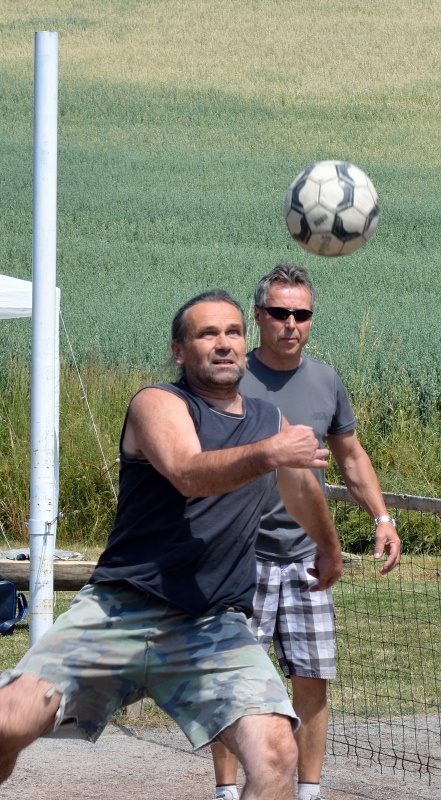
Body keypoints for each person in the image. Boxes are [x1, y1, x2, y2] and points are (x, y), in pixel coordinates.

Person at [0, 289, 343, 800]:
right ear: (180, 351)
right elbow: (187, 472)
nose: (224, 343)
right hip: (118, 610)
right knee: (8, 724)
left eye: (233, 332)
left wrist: (328, 547)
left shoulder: (269, 421)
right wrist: (271, 452)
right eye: (208, 334)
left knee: (276, 755)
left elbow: (301, 490)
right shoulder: (157, 403)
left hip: (210, 624)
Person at [210, 266, 401, 800]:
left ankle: (309, 791)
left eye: (301, 314)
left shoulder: (325, 381)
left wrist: (382, 518)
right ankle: (227, 792)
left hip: (307, 561)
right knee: (234, 683)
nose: (290, 323)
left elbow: (351, 456)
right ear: (258, 317)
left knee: (312, 683)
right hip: (239, 558)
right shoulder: (230, 379)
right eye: (279, 313)